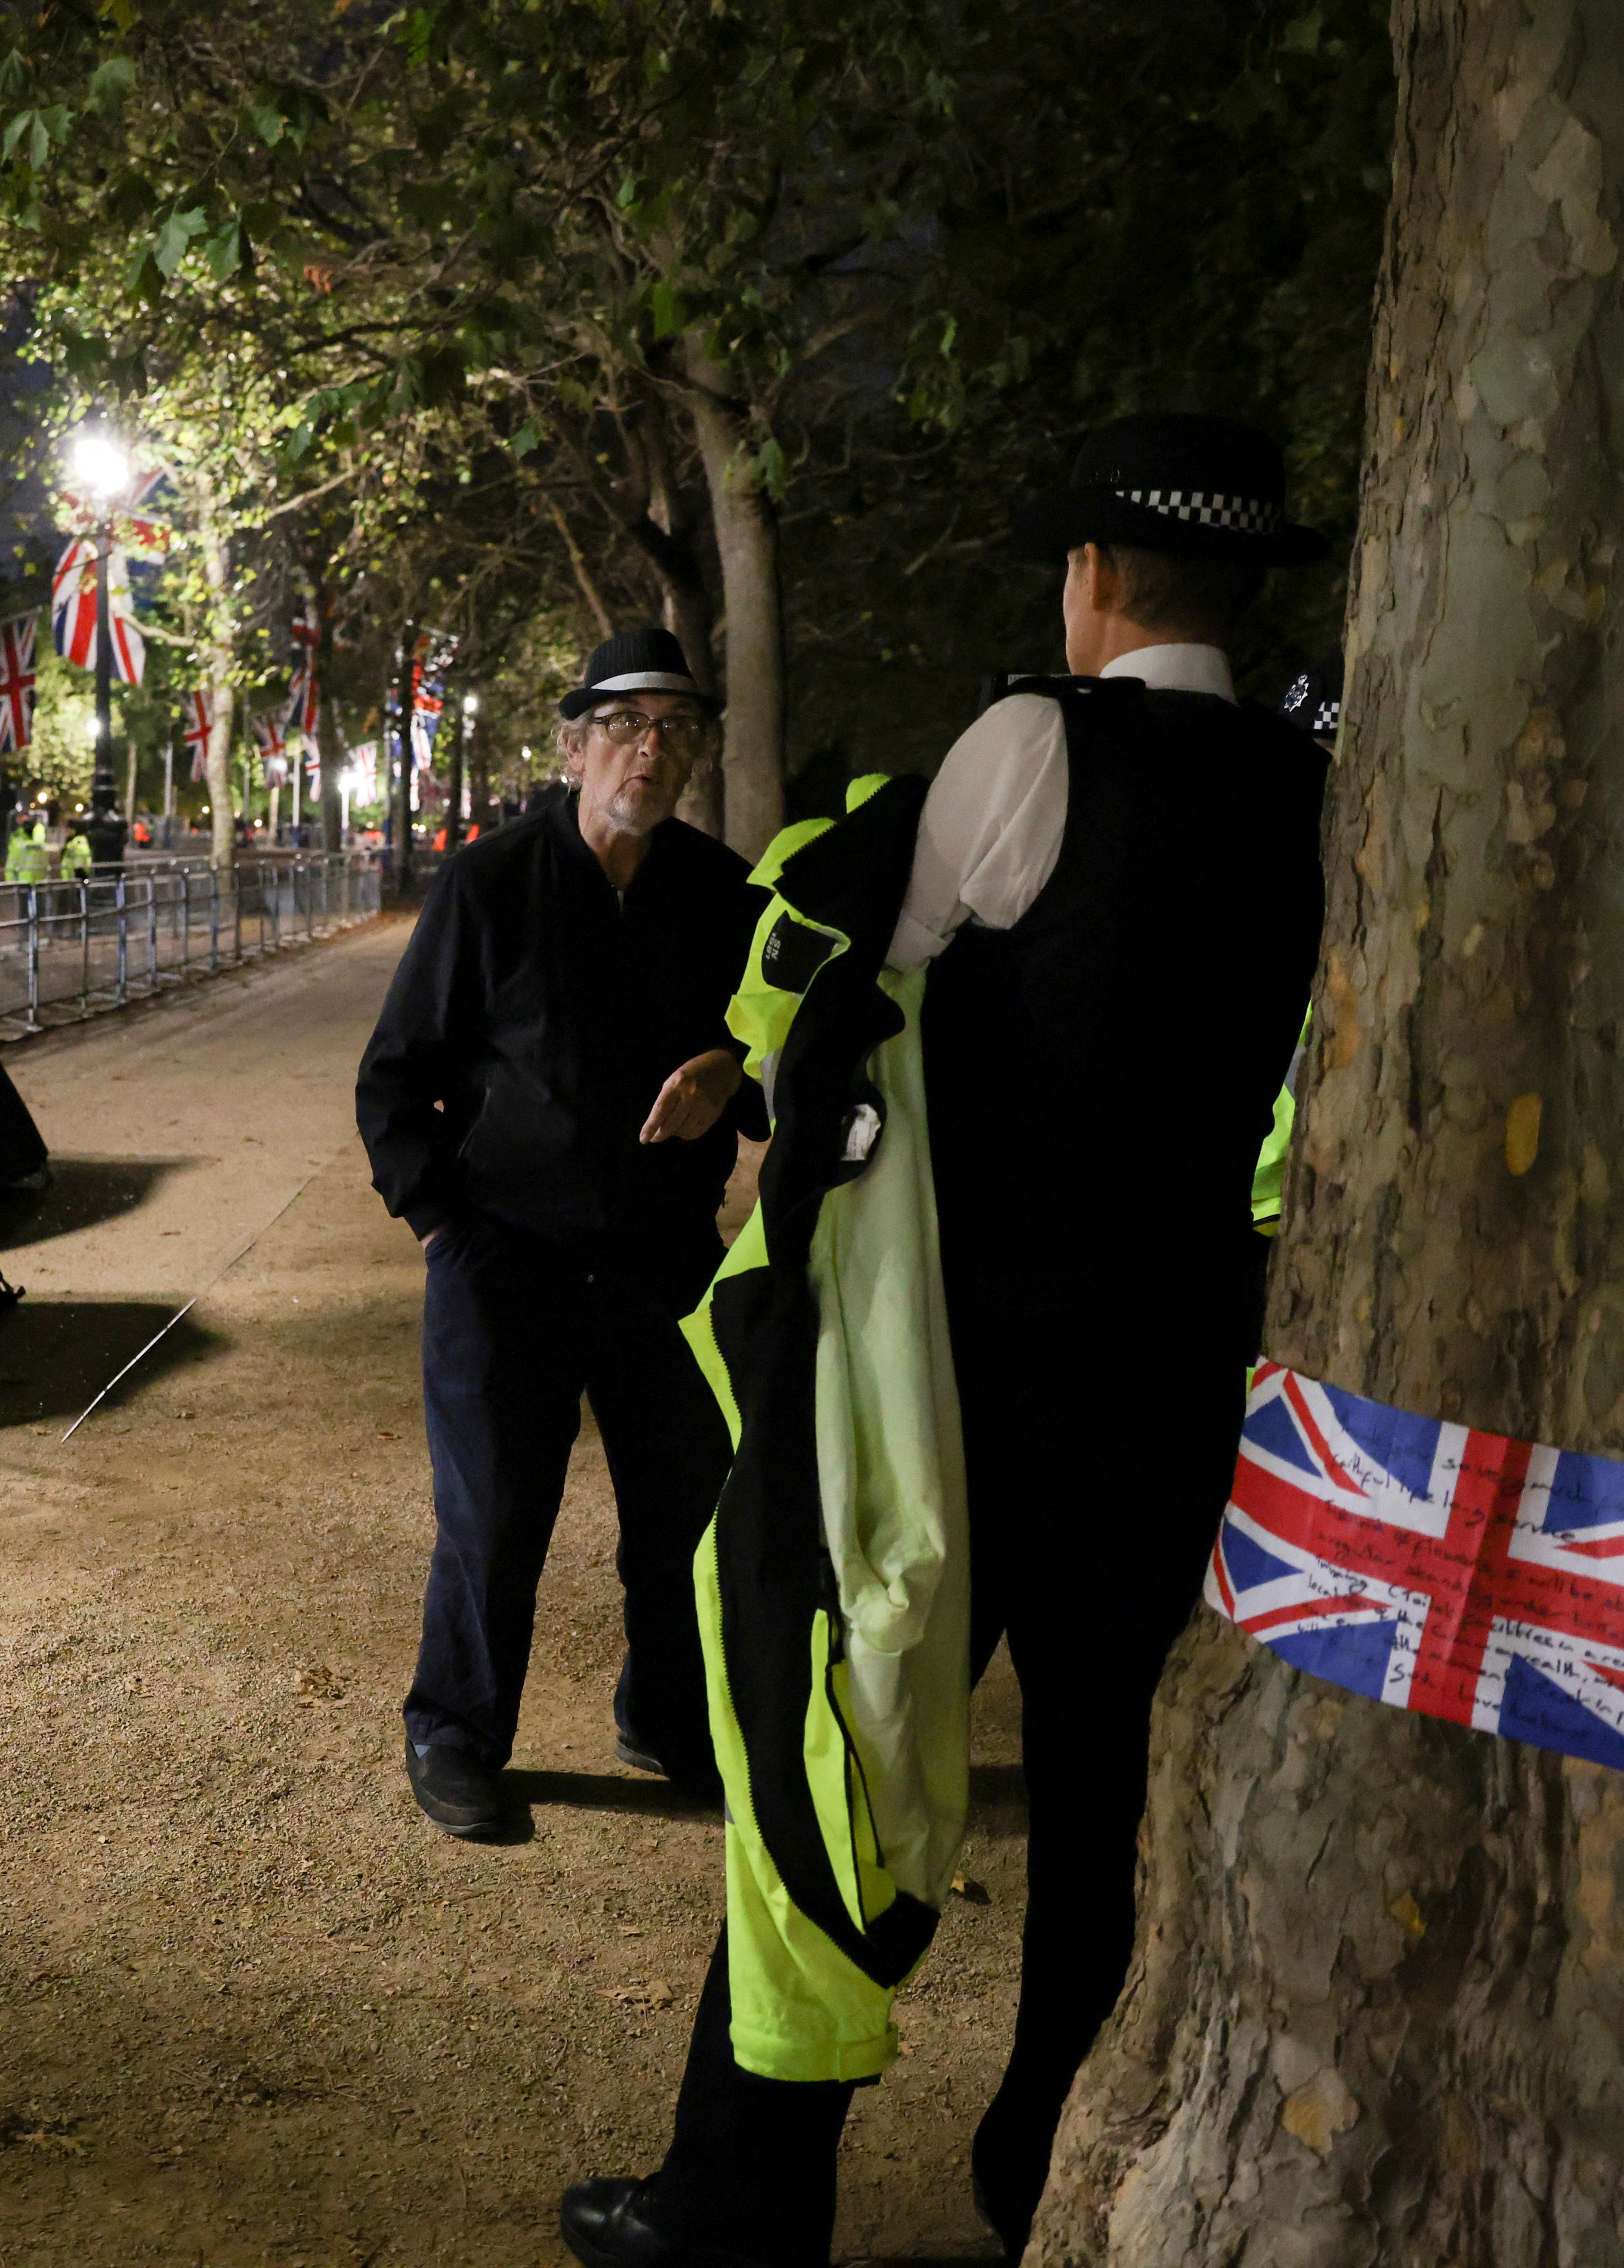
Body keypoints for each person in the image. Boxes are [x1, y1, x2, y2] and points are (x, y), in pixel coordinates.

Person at [558, 415, 1332, 2267]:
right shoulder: (1310, 796)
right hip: (1177, 1394)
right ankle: (1041, 2171)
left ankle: (743, 2191)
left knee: (821, 1727)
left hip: (957, 1381)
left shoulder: (1027, 745)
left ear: (1090, 583)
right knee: (1103, 1796)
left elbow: (854, 972)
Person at [356, 625, 766, 1843]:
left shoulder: (720, 892)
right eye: (628, 726)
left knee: (680, 1507)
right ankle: (457, 1731)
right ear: (577, 743)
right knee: (494, 1510)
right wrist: (442, 1226)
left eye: (675, 730)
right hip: (506, 1254)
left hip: (659, 1256)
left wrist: (732, 1067)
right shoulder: (488, 883)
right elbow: (394, 1081)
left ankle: (667, 1716)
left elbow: (771, 1054)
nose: (651, 750)